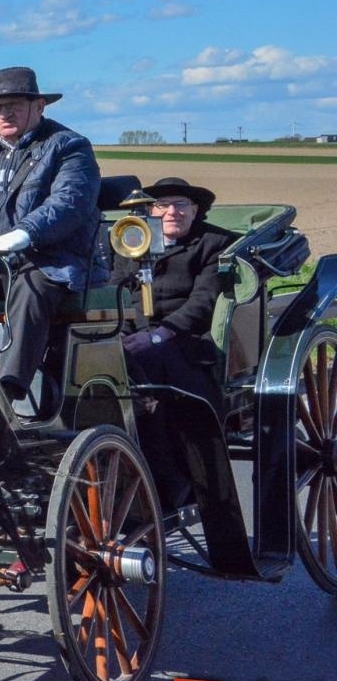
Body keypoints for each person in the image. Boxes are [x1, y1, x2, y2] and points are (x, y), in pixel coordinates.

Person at [0, 67, 103, 418]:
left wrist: (25, 233)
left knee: (30, 284)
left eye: (13, 106)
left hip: (51, 260)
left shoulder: (69, 146)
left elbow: (70, 202)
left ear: (39, 106)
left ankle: (5, 392)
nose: (3, 114)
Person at [111, 177, 238, 505]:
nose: (171, 212)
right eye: (162, 205)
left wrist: (157, 335)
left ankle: (172, 477)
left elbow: (203, 302)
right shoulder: (131, 241)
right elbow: (115, 293)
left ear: (195, 210)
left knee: (152, 361)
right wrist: (118, 334)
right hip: (133, 337)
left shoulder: (213, 244)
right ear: (151, 211)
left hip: (188, 340)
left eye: (180, 204)